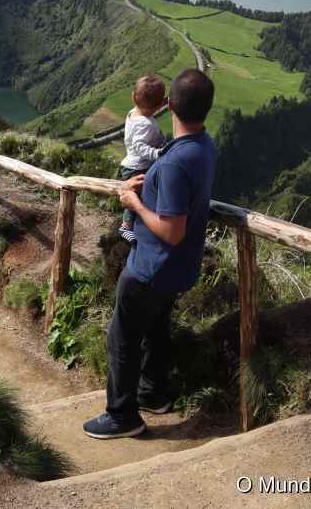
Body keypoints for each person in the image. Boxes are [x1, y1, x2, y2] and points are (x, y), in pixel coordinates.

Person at [83, 68, 217, 439]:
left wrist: (132, 203)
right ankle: (152, 394)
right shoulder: (203, 146)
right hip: (178, 267)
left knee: (121, 336)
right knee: (156, 328)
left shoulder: (175, 162)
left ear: (168, 105)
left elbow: (172, 230)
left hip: (151, 266)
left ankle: (122, 416)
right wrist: (141, 189)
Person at [118, 75, 167, 243]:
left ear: (133, 97)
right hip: (138, 167)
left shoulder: (132, 114)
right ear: (161, 105)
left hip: (131, 163)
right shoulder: (145, 124)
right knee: (135, 195)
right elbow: (139, 146)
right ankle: (126, 226)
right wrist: (157, 153)